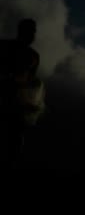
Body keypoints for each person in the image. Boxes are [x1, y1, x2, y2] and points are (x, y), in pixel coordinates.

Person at [0, 18, 41, 169]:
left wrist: (33, 104)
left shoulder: (34, 56)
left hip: (17, 108)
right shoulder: (4, 46)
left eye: (34, 32)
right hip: (4, 101)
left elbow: (31, 83)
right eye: (30, 31)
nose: (33, 35)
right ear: (21, 31)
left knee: (13, 146)